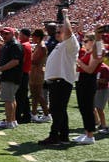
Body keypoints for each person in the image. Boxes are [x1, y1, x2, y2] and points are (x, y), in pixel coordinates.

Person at [38, 8, 79, 146]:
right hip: (56, 82)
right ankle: (64, 136)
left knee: (56, 110)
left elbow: (68, 32)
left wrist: (65, 16)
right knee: (60, 110)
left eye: (59, 32)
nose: (56, 34)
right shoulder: (61, 45)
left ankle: (54, 136)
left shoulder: (71, 44)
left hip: (62, 82)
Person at [0, 27, 23, 129]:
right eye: (3, 34)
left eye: (7, 34)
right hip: (9, 75)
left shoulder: (14, 45)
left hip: (11, 75)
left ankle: (9, 122)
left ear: (12, 34)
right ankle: (12, 120)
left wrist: (0, 68)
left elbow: (15, 61)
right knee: (11, 99)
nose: (4, 36)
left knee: (8, 100)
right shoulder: (8, 45)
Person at [73, 32, 103, 144]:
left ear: (93, 41)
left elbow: (90, 70)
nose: (83, 42)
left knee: (88, 108)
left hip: (88, 82)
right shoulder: (87, 52)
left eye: (86, 41)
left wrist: (78, 61)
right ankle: (86, 132)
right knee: (83, 108)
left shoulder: (94, 54)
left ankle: (90, 135)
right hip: (82, 81)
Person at [29, 28, 51, 122]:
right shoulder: (38, 46)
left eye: (33, 36)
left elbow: (35, 61)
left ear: (37, 37)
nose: (31, 38)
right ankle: (34, 114)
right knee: (35, 95)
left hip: (38, 73)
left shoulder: (42, 47)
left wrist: (26, 57)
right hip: (34, 72)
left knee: (38, 94)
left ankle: (46, 114)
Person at [15, 28, 33, 124]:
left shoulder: (24, 46)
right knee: (24, 96)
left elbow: (22, 60)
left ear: (25, 36)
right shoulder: (26, 45)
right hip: (25, 73)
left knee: (19, 96)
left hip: (22, 73)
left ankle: (17, 116)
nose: (19, 36)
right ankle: (27, 115)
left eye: (20, 35)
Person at [95, 60, 109, 134]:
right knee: (93, 107)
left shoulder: (104, 68)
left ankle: (104, 126)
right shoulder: (95, 66)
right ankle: (98, 122)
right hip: (96, 90)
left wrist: (96, 80)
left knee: (99, 108)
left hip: (103, 90)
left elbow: (106, 81)